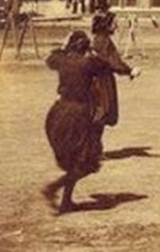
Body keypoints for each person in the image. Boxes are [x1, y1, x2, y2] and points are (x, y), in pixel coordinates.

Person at [43, 30, 110, 213]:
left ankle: (66, 202)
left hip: (58, 113)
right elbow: (105, 65)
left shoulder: (62, 61)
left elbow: (50, 58)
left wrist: (65, 46)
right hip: (78, 115)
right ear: (85, 47)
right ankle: (53, 188)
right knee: (88, 161)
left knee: (74, 161)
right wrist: (92, 52)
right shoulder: (89, 63)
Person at [90, 5, 140, 147]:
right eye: (113, 23)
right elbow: (113, 61)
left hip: (96, 80)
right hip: (102, 81)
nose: (116, 26)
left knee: (99, 113)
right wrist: (130, 71)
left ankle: (94, 147)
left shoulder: (98, 39)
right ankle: (93, 148)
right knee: (102, 112)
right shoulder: (104, 41)